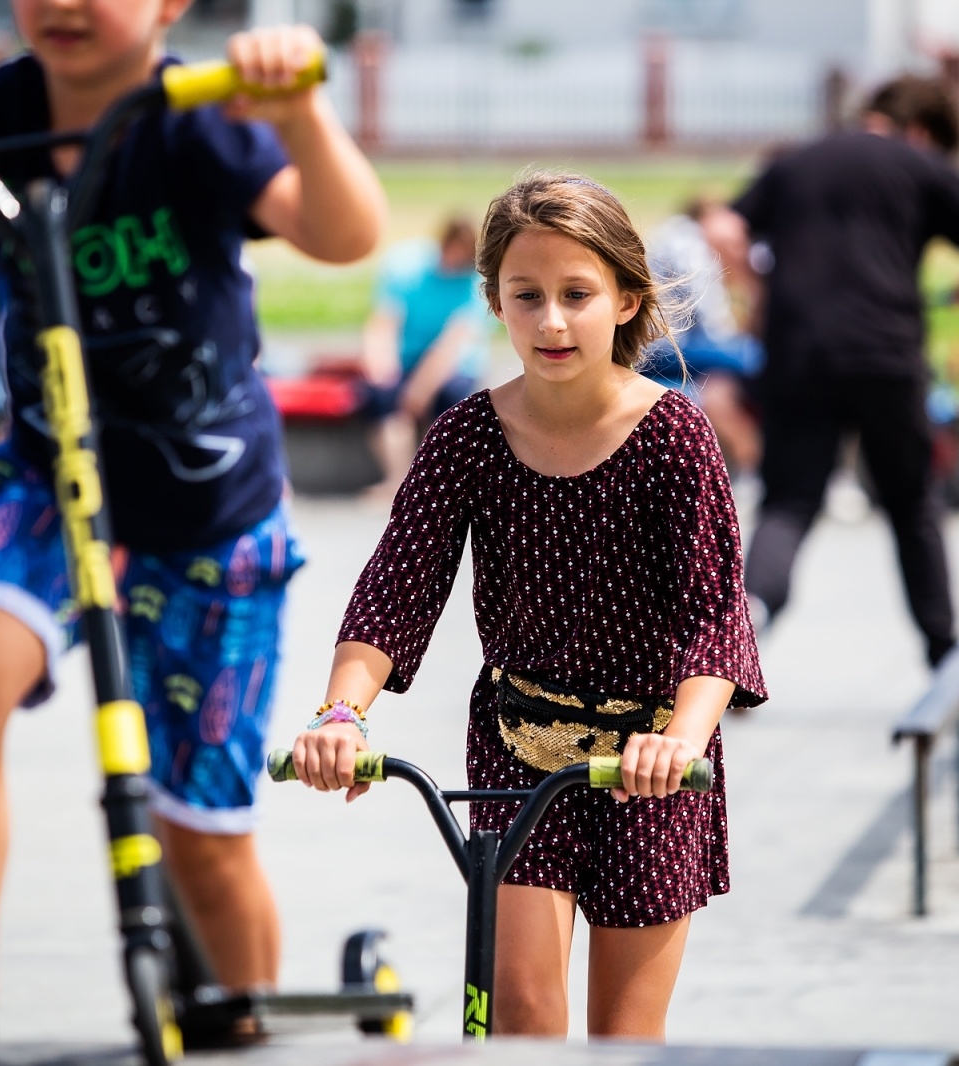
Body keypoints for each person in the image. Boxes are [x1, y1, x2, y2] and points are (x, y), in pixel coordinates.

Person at [0, 2, 384, 1037]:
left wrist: (302, 117)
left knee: (202, 840)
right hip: (53, 489)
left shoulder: (191, 117)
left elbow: (342, 231)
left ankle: (239, 1024)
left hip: (210, 513)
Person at [288, 172, 766, 1039]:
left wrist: (680, 741)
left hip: (653, 760)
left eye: (577, 295)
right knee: (521, 1018)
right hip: (518, 749)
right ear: (493, 303)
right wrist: (340, 715)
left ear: (625, 300)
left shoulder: (673, 435)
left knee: (624, 1039)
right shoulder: (469, 434)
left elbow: (713, 612)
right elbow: (395, 589)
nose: (551, 320)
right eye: (527, 296)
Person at [730, 74, 959, 668]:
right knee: (912, 502)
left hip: (800, 352)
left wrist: (760, 291)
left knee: (789, 500)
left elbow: (724, 228)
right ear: (920, 131)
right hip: (886, 354)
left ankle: (751, 615)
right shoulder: (916, 163)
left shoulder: (799, 161)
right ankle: (943, 649)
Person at [359, 217, 488, 494]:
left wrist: (420, 389)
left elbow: (451, 346)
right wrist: (381, 363)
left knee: (451, 402)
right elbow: (385, 321)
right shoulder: (406, 264)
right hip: (406, 356)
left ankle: (437, 482)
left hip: (453, 365)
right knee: (382, 397)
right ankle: (398, 481)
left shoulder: (475, 284)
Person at [639, 197, 763, 472]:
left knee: (716, 382)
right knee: (758, 358)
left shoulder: (678, 236)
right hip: (664, 345)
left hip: (668, 344)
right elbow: (707, 311)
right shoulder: (687, 241)